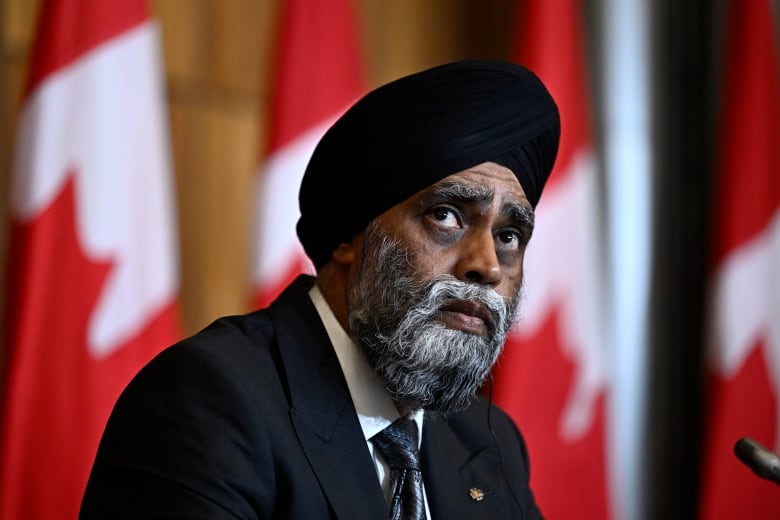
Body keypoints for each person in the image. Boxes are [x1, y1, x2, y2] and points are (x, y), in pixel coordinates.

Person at [80, 59, 560, 519]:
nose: (487, 266)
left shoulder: (486, 442)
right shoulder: (210, 402)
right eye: (446, 216)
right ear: (351, 237)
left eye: (509, 237)